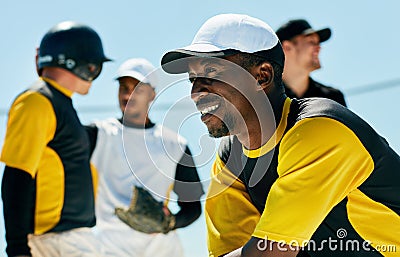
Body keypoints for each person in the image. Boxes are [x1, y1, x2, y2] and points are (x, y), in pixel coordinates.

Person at [161, 13, 400, 257]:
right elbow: (230, 250)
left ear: (262, 76)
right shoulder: (229, 160)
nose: (196, 91)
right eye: (193, 78)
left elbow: (268, 254)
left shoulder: (319, 130)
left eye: (211, 72)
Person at [0, 21, 111, 257]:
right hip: (54, 241)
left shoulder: (59, 103)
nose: (94, 74)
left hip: (69, 238)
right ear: (79, 63)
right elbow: (16, 176)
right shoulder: (37, 101)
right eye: (94, 67)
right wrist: (17, 247)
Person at [85, 58, 204, 257]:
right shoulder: (99, 134)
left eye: (137, 89)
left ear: (152, 95)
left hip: (163, 251)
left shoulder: (175, 144)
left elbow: (192, 208)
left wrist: (169, 223)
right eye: (123, 87)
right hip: (110, 249)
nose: (127, 95)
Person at [275, 19, 347, 106]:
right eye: (312, 42)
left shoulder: (332, 99)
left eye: (318, 43)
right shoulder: (262, 97)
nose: (319, 47)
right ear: (287, 47)